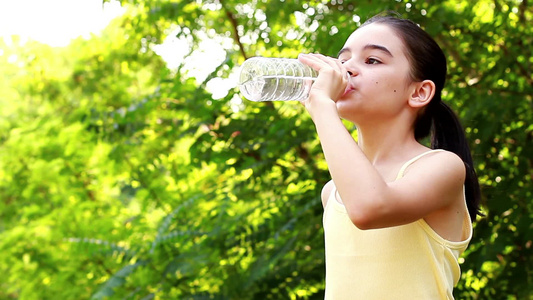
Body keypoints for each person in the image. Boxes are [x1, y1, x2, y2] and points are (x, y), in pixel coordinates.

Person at [297, 13, 482, 299]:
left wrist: (322, 107)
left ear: (420, 92)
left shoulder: (443, 167)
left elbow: (370, 207)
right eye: (343, 60)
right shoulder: (333, 192)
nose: (346, 70)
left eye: (372, 60)